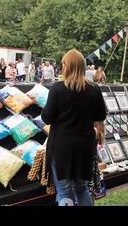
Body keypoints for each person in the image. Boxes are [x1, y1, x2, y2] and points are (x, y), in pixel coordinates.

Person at [41, 49, 107, 206]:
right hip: (85, 145)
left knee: (64, 190)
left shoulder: (58, 88)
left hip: (62, 145)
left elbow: (47, 117)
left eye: (63, 64)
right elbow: (101, 116)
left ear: (67, 66)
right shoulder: (94, 89)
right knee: (82, 188)